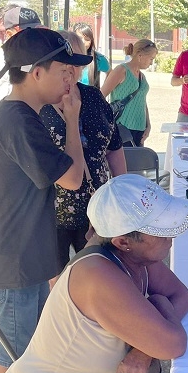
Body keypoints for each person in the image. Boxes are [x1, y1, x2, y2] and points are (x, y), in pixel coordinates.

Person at [0, 174, 188, 373]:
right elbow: (174, 344)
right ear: (124, 241)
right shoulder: (98, 276)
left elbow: (180, 296)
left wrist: (141, 351)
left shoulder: (135, 257)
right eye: (160, 228)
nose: (171, 232)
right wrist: (158, 309)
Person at [0, 27, 92, 373]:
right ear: (36, 72)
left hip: (26, 258)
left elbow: (75, 175)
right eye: (64, 70)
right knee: (12, 357)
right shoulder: (19, 120)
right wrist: (72, 119)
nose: (71, 77)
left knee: (26, 352)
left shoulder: (26, 115)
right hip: (12, 262)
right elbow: (73, 178)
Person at [39, 31, 127, 276]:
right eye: (66, 64)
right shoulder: (39, 105)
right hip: (51, 213)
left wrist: (119, 195)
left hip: (96, 207)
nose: (72, 70)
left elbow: (114, 147)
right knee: (56, 282)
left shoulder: (93, 96)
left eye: (78, 61)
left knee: (99, 275)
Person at [100, 39, 157, 146]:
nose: (151, 63)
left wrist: (148, 125)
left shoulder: (142, 76)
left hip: (140, 128)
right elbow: (101, 95)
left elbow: (142, 101)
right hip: (122, 127)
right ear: (140, 55)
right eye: (151, 59)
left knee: (136, 161)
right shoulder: (121, 70)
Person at [73, 22, 110, 87]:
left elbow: (111, 74)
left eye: (87, 39)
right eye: (80, 38)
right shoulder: (66, 56)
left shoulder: (98, 58)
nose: (83, 42)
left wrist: (103, 92)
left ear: (91, 42)